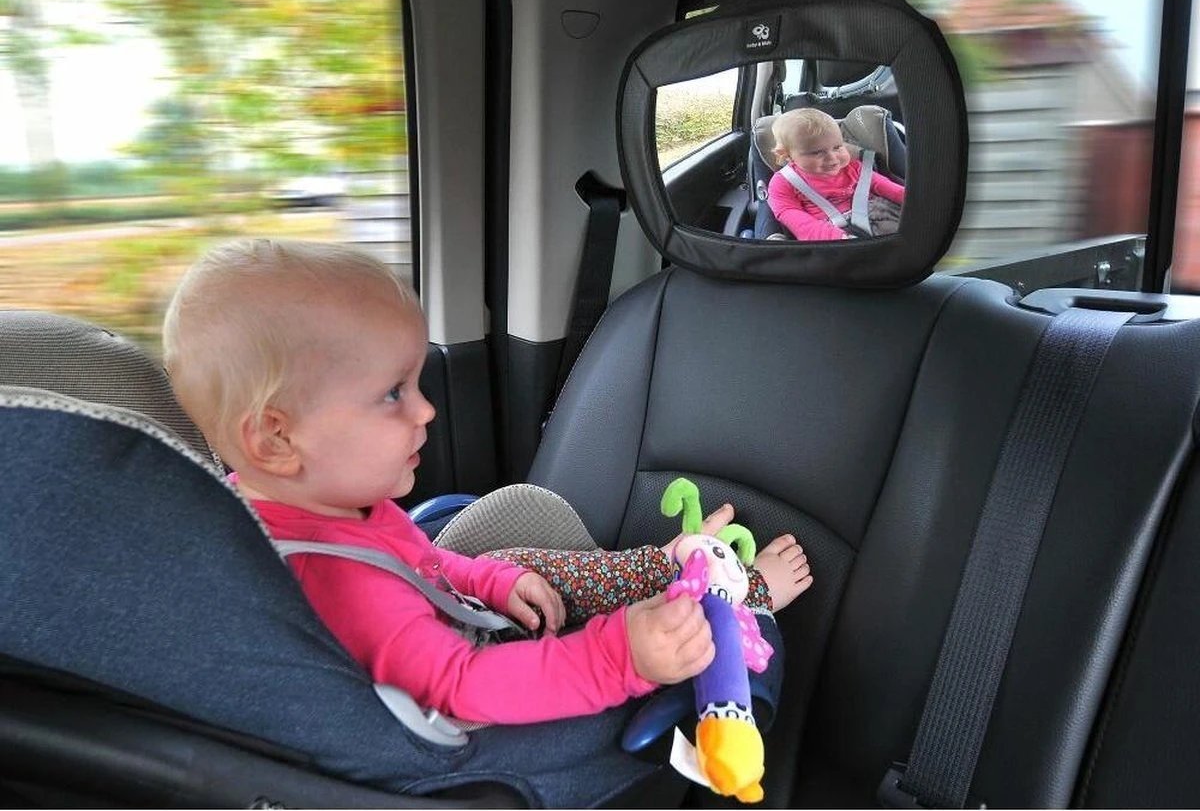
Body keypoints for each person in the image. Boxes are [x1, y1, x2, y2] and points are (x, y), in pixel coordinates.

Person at [162, 237, 812, 729]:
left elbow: (420, 561)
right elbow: (466, 687)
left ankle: (664, 566)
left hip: (451, 616)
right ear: (275, 441)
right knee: (687, 639)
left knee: (521, 564)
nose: (426, 410)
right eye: (392, 394)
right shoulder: (346, 588)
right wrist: (621, 658)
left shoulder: (323, 506)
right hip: (488, 717)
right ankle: (742, 596)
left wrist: (493, 581)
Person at [766, 107, 906, 241]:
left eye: (837, 147)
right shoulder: (784, 182)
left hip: (878, 215)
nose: (832, 158)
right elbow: (792, 216)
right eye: (816, 153)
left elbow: (887, 188)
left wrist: (913, 200)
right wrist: (836, 237)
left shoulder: (854, 167)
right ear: (786, 155)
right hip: (824, 230)